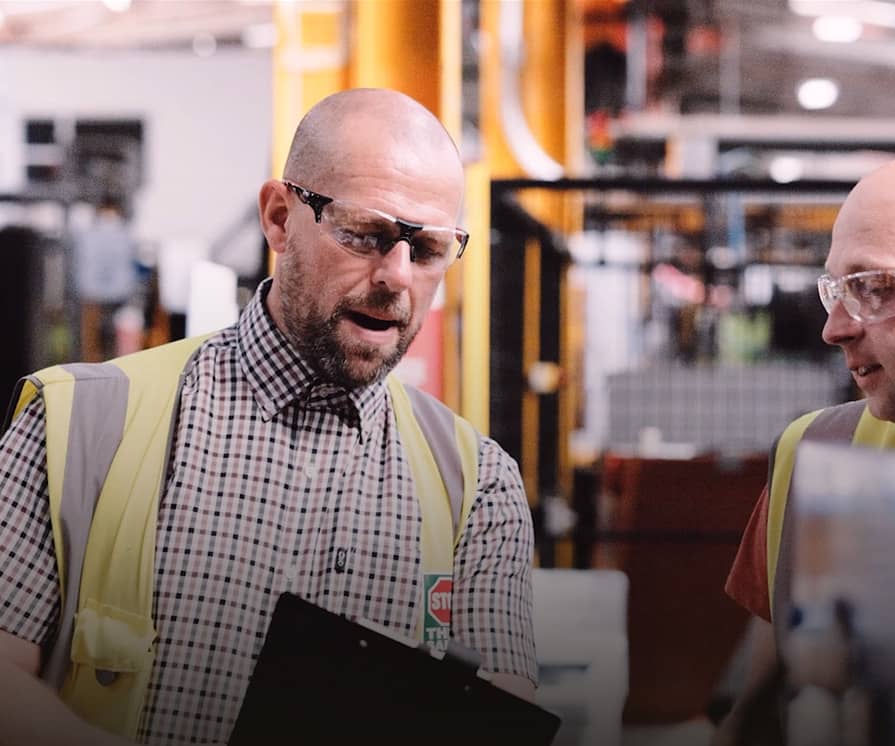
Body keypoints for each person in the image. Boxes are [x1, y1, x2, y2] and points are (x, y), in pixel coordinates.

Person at [0, 89, 536, 745]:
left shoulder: (478, 490)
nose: (397, 277)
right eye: (364, 234)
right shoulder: (76, 427)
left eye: (426, 251)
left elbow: (496, 717)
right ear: (280, 219)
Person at [716, 152, 895, 744]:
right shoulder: (814, 453)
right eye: (836, 292)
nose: (834, 328)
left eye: (872, 288)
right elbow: (760, 707)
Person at [73, 194, 138, 361]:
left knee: (95, 336)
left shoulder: (89, 232)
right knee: (107, 336)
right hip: (111, 292)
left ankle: (93, 363)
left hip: (98, 292)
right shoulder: (124, 232)